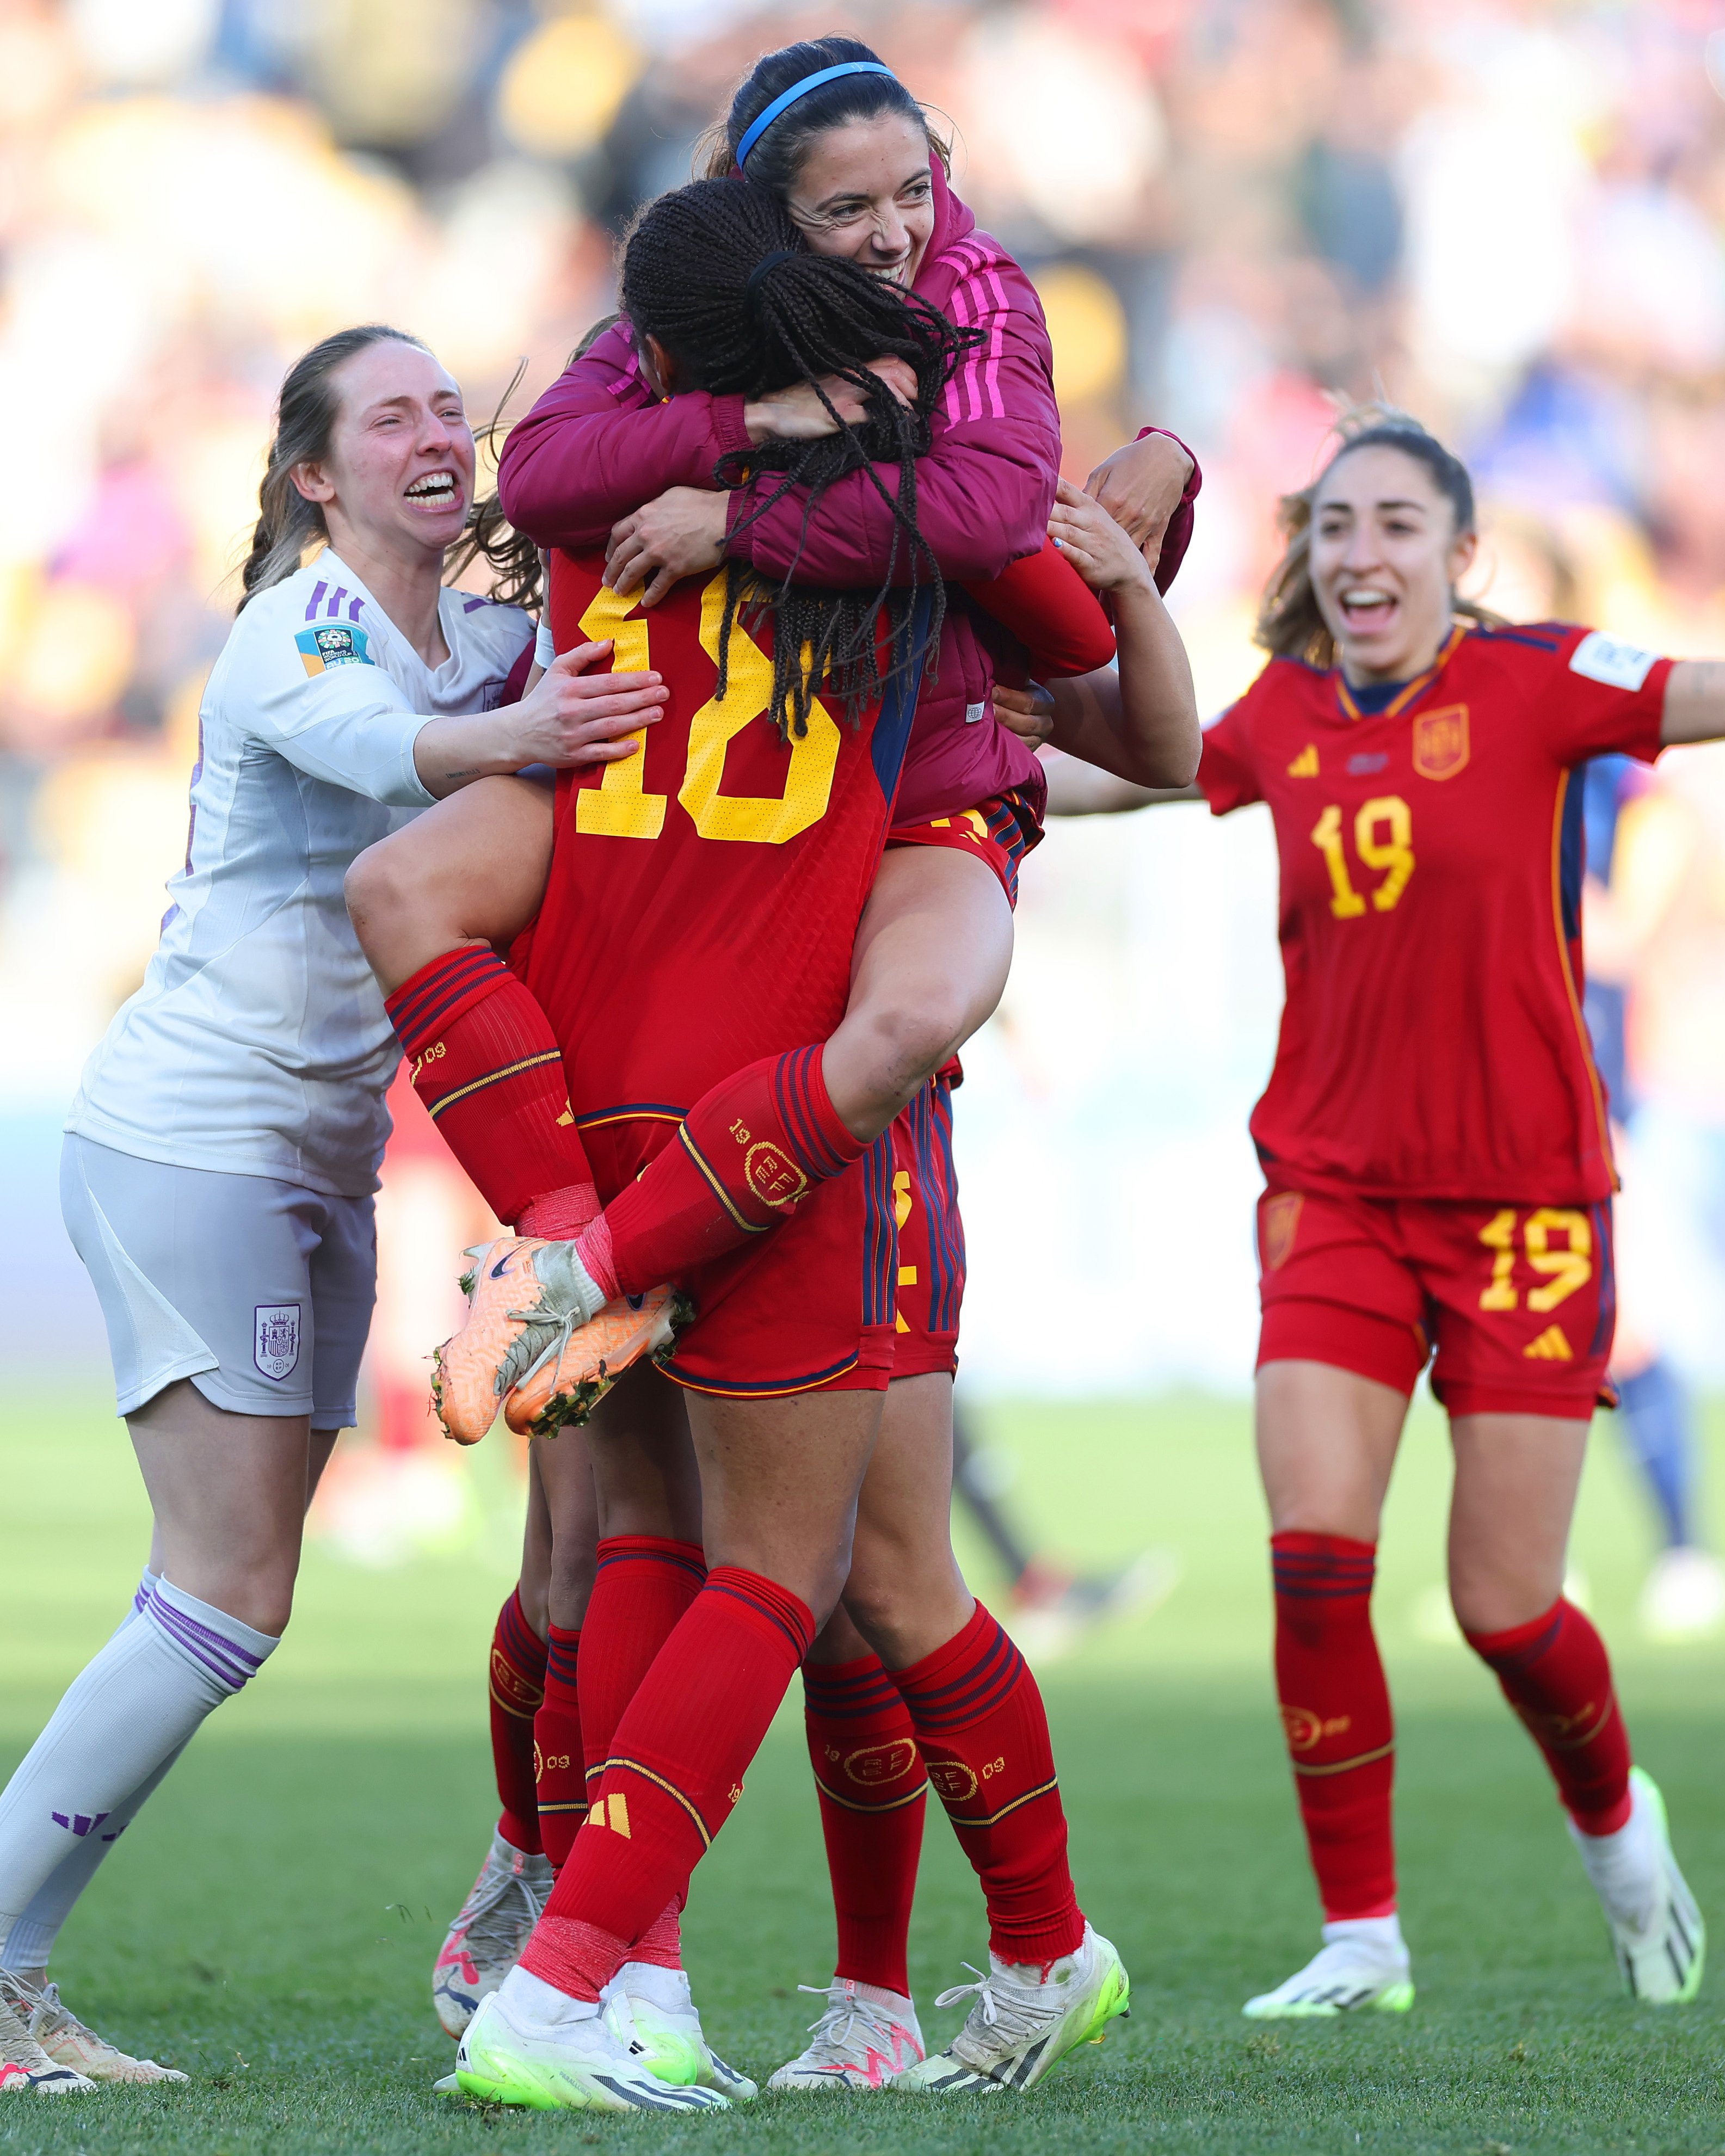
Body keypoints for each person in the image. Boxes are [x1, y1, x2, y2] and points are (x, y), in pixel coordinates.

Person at [346, 181, 1194, 2114]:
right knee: (790, 1572)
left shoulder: (588, 495)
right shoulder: (923, 519)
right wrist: (1126, 539)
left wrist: (561, 1222)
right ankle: (600, 1971)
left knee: (745, 1560)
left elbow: (553, 443)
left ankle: (789, 1971)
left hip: (595, 1058)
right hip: (782, 1106)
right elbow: (1153, 741)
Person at [0, 325, 666, 2096]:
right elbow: (391, 760)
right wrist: (539, 725)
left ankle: (13, 1971)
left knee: (234, 1592)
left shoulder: (495, 630)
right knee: (219, 1594)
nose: (439, 432)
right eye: (393, 416)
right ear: (317, 474)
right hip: (193, 1134)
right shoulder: (302, 623)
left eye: (452, 406)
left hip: (309, 1154)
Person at [1005, 406, 1721, 2017]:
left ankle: (1616, 1825)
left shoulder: (1539, 679)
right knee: (1316, 1557)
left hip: (1529, 1200)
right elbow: (1144, 771)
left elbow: (1700, 698)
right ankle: (1362, 1938)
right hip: (1329, 1191)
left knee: (1506, 1609)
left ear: (1459, 558)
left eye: (1396, 526)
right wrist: (952, 776)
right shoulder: (1286, 710)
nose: (1361, 554)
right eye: (1335, 529)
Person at [436, 36, 1199, 1428]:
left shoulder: (967, 298)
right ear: (755, 219)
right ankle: (568, 1251)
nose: (898, 232)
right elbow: (543, 472)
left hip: (835, 846)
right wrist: (762, 420)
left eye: (915, 190)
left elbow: (1013, 549)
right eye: (847, 211)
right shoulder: (696, 326)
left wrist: (735, 511)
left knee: (834, 1562)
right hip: (741, 872)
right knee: (734, 1564)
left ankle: (577, 1259)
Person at [1580, 754, 1725, 1638]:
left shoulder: (1626, 786)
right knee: (1504, 1327)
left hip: (1605, 1093)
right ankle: (1528, 1557)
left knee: (1621, 1323)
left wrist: (1494, 874)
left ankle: (1682, 1550)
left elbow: (1622, 935)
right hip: (1482, 1091)